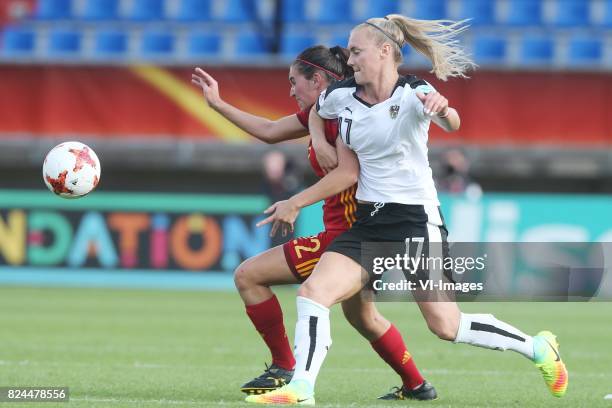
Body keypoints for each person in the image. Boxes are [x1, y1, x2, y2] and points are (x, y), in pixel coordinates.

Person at [247, 15, 568, 405]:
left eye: (356, 51)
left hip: (417, 221)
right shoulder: (342, 95)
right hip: (369, 222)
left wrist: (443, 108)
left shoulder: (413, 92)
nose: (349, 60)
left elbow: (452, 122)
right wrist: (319, 137)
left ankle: (537, 347)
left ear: (384, 52)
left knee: (446, 326)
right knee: (314, 293)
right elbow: (319, 111)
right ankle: (302, 388)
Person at [191, 45, 437, 401]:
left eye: (295, 82)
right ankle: (417, 385)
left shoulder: (349, 119)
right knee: (363, 317)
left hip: (348, 236)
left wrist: (295, 201)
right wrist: (218, 104)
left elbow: (349, 175)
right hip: (358, 235)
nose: (291, 90)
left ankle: (285, 366)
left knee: (248, 275)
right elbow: (270, 129)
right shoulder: (325, 114)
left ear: (318, 79)